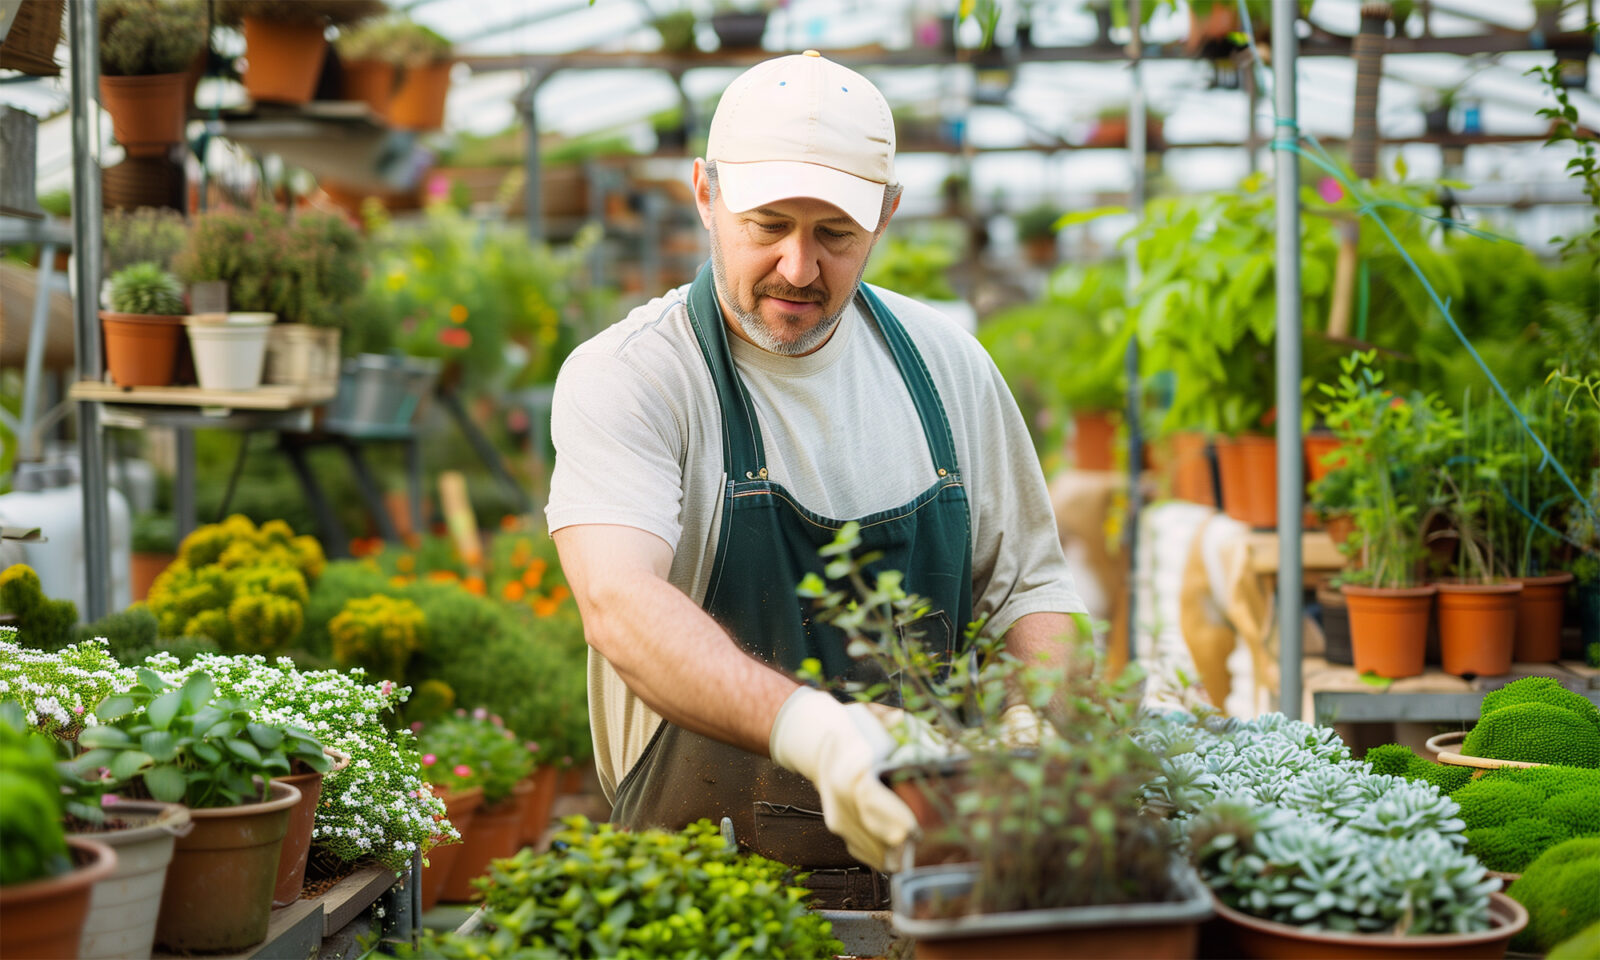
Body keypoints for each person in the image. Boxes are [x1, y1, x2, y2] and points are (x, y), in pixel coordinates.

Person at [547, 51, 1086, 909]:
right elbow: (619, 603)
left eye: (835, 234)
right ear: (705, 194)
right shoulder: (636, 376)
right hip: (704, 895)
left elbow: (1030, 586)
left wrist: (1039, 716)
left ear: (887, 217)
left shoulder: (947, 367)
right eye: (768, 225)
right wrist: (817, 734)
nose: (799, 269)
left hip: (937, 883)